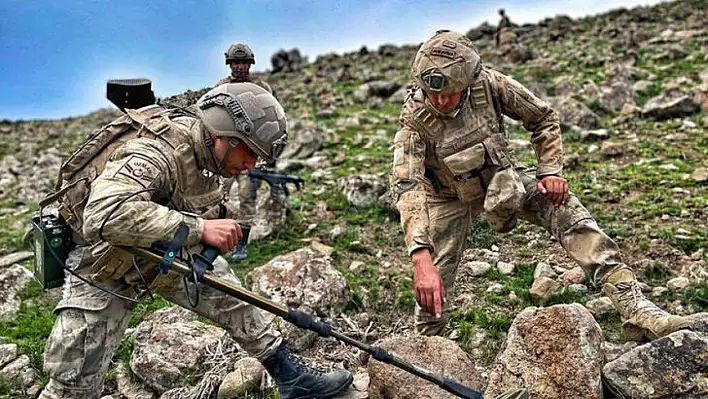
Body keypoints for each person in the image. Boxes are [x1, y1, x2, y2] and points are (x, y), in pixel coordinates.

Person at [39, 83, 352, 399]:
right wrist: (200, 228)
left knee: (233, 297)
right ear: (222, 137)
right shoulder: (154, 152)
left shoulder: (210, 157)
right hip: (102, 264)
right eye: (249, 152)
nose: (252, 165)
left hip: (160, 251)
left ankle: (292, 377)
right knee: (72, 383)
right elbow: (103, 215)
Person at [391, 30, 691, 340]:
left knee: (567, 212)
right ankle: (427, 351)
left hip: (501, 178)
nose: (440, 100)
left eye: (450, 92)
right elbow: (407, 186)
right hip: (447, 197)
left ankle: (638, 310)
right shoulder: (414, 122)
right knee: (432, 280)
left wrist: (550, 171)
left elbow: (544, 118)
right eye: (432, 92)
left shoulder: (490, 85)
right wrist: (420, 257)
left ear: (468, 81)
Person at [215, 43, 285, 259]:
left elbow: (269, 118)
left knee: (247, 197)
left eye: (244, 62)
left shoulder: (261, 87)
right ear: (229, 63)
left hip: (251, 150)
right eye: (236, 62)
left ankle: (241, 245)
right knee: (217, 196)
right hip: (226, 152)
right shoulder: (220, 87)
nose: (240, 67)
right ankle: (216, 240)